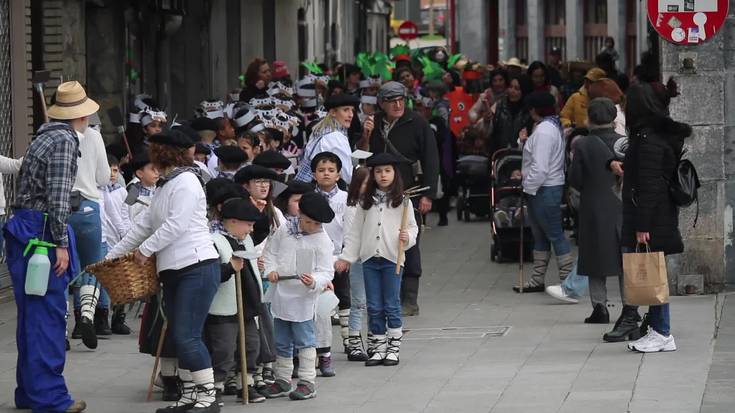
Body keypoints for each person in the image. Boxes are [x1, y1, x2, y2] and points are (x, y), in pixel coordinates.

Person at [107, 130, 222, 413]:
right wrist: (109, 257)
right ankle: (188, 396)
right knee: (178, 335)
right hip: (173, 270)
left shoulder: (186, 182)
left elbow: (176, 225)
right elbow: (144, 225)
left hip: (196, 266)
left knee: (187, 335)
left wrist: (145, 250)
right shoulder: (165, 185)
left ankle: (208, 398)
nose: (150, 153)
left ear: (165, 152)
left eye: (154, 148)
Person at [5, 80, 97, 413]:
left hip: (27, 229)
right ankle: (51, 397)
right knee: (47, 317)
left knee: (32, 317)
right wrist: (61, 244)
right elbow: (58, 198)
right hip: (42, 233)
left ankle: (30, 392)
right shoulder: (63, 141)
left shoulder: (45, 136)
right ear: (82, 117)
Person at [622, 81, 688, 353]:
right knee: (653, 273)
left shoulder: (649, 140)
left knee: (653, 274)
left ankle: (662, 333)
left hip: (653, 216)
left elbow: (649, 185)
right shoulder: (652, 135)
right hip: (658, 213)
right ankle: (658, 330)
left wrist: (642, 225)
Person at [364, 81, 439, 317]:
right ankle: (388, 297)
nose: (398, 105)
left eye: (401, 100)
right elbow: (363, 156)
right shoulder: (373, 123)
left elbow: (431, 158)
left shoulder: (416, 122)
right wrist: (365, 134)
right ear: (382, 103)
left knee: (409, 241)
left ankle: (409, 298)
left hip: (409, 191)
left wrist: (428, 194)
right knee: (381, 240)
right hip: (378, 194)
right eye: (392, 101)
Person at [336, 152, 419, 366]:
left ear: (395, 174)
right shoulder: (365, 202)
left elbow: (413, 227)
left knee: (391, 304)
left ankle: (393, 348)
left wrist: (407, 237)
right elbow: (355, 233)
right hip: (369, 259)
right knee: (373, 305)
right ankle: (379, 348)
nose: (383, 175)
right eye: (379, 171)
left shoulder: (403, 201)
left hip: (392, 258)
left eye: (388, 171)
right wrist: (347, 257)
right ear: (373, 174)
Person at [260, 192, 335, 400]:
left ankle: (307, 381)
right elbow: (270, 253)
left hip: (303, 297)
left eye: (316, 223)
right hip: (281, 294)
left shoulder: (322, 240)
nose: (312, 227)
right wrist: (271, 271)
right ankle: (282, 379)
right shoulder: (284, 229)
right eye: (308, 222)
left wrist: (315, 281)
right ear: (299, 214)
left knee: (305, 340)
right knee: (282, 340)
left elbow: (326, 271)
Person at [565, 98, 625, 325]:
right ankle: (629, 307)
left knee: (594, 257)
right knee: (623, 258)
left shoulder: (583, 144)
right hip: (621, 206)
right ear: (613, 118)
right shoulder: (624, 142)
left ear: (589, 118)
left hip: (593, 206)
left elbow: (575, 178)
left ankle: (600, 307)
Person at [206, 197, 266, 405]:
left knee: (251, 344)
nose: (250, 230)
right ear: (232, 221)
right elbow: (211, 274)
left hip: (247, 303)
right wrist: (230, 267)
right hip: (224, 306)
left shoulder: (245, 240)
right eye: (248, 225)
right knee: (224, 348)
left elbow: (264, 230)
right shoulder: (214, 241)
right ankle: (216, 386)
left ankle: (246, 384)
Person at [514, 91, 574, 293]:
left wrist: (527, 187)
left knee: (554, 234)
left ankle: (568, 282)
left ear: (533, 110)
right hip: (546, 187)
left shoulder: (543, 132)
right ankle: (538, 279)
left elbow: (540, 167)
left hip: (543, 188)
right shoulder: (552, 127)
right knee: (540, 234)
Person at [68, 111, 111, 347]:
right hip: (87, 206)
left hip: (60, 207)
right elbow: (104, 177)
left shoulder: (50, 134)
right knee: (91, 267)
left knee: (63, 269)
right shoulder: (94, 136)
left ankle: (65, 327)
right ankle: (87, 315)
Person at [310, 151, 349, 375]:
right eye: (321, 170)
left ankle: (349, 340)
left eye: (331, 170)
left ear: (338, 174)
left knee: (344, 297)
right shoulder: (308, 197)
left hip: (339, 255)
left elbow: (350, 227)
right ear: (314, 174)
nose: (326, 174)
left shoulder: (344, 198)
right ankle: (318, 350)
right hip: (316, 259)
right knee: (320, 304)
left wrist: (347, 255)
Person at [100, 154, 133, 335]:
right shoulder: (99, 191)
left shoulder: (122, 191)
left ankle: (119, 317)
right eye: (109, 170)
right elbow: (111, 217)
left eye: (115, 170)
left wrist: (128, 237)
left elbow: (125, 215)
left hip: (121, 241)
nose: (113, 174)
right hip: (107, 240)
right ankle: (101, 316)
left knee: (122, 281)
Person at [295, 93, 358, 184]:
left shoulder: (320, 131)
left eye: (352, 111)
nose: (351, 115)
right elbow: (347, 176)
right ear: (333, 112)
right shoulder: (335, 137)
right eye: (346, 110)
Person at [342, 166, 371, 361]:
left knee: (373, 302)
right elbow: (351, 236)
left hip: (375, 258)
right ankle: (354, 340)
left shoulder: (374, 204)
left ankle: (374, 339)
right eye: (365, 184)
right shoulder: (352, 207)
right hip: (359, 258)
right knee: (359, 301)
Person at [489, 76, 533, 155]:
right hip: (498, 154)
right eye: (510, 87)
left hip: (520, 156)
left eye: (517, 89)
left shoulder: (529, 111)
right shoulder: (500, 105)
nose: (512, 91)